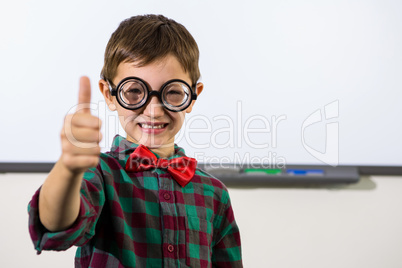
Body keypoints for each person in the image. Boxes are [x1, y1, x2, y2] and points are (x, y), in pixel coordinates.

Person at [28, 14, 242, 268]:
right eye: (134, 91)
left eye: (172, 92)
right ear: (109, 94)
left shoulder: (214, 193)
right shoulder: (99, 174)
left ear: (193, 97)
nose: (153, 110)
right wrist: (68, 169)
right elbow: (57, 227)